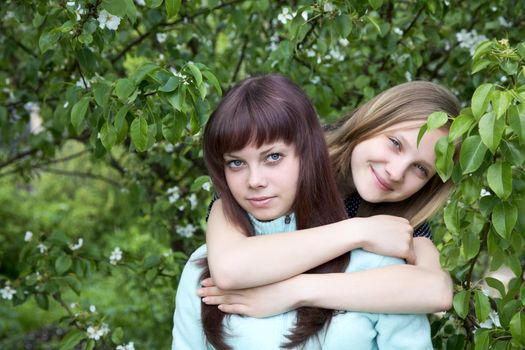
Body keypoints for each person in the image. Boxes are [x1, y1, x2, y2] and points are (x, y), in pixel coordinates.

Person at [172, 74, 442, 349]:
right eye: (395, 143)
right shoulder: (272, 172)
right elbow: (229, 268)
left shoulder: (402, 224)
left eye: (421, 169)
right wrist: (361, 231)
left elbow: (436, 291)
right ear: (372, 122)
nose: (396, 172)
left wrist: (294, 291)